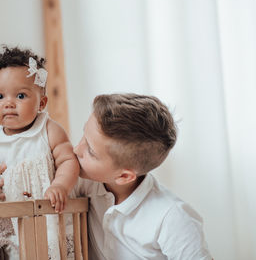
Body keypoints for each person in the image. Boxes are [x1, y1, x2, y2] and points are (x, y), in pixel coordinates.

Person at [0, 46, 80, 259]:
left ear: (41, 103)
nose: (8, 103)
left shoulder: (49, 131)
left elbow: (68, 161)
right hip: (5, 218)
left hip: (47, 216)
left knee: (52, 250)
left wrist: (60, 185)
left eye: (20, 95)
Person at [71, 93, 212, 259]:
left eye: (91, 151)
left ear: (123, 176)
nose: (77, 149)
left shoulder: (173, 218)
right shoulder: (84, 183)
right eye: (84, 136)